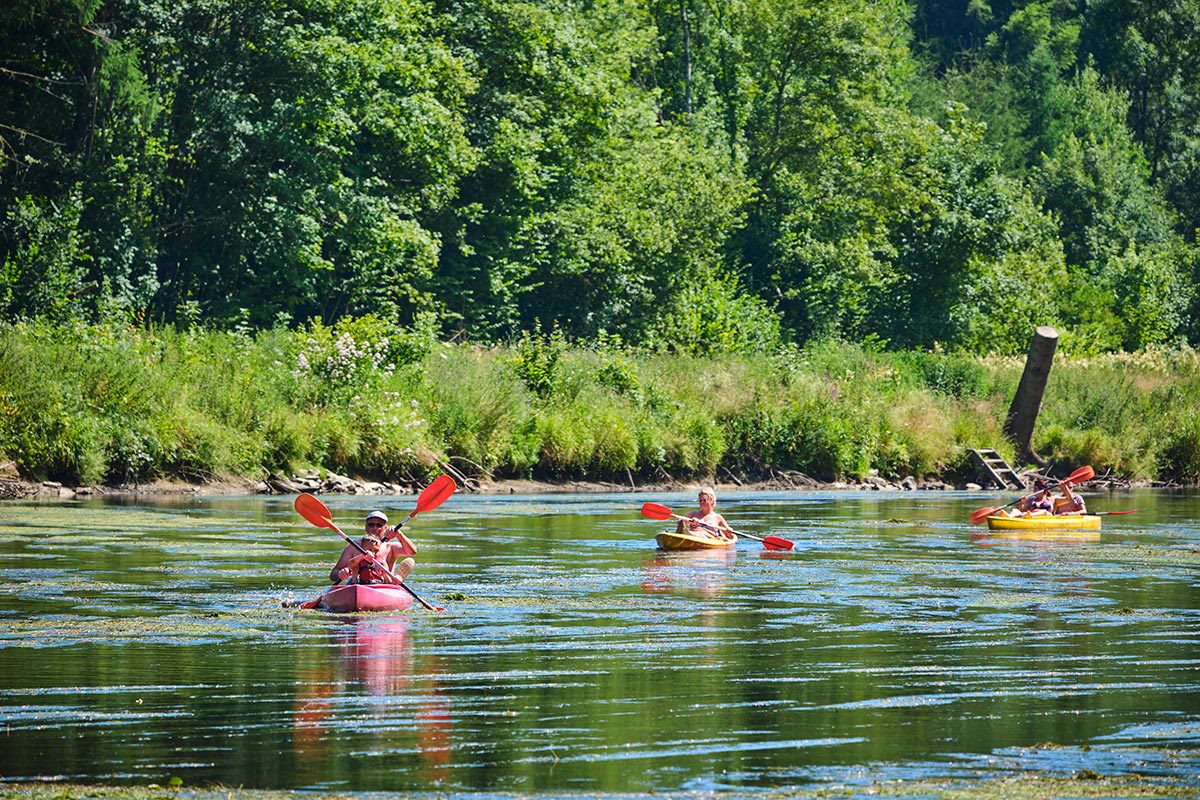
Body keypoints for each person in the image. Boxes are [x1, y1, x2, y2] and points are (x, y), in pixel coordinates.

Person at [330, 510, 417, 584]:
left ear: (385, 528)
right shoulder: (354, 546)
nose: (375, 528)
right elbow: (333, 575)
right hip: (358, 585)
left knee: (396, 578)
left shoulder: (390, 547)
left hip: (384, 586)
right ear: (366, 527)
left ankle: (399, 577)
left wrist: (399, 535)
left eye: (379, 525)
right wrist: (341, 573)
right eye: (371, 524)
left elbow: (412, 552)